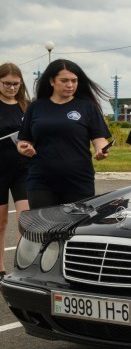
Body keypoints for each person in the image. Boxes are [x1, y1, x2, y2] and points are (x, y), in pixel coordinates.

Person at [17, 60, 112, 209]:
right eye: (64, 80)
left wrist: (102, 150)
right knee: (44, 229)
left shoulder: (88, 107)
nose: (70, 85)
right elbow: (24, 140)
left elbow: (99, 139)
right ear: (51, 81)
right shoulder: (35, 107)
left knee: (75, 230)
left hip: (78, 180)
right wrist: (23, 147)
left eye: (74, 81)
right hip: (41, 180)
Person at [0, 63, 30, 279]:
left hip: (23, 171)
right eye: (7, 84)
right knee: (1, 222)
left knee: (25, 221)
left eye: (15, 84)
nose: (11, 88)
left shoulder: (26, 107)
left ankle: (22, 267)